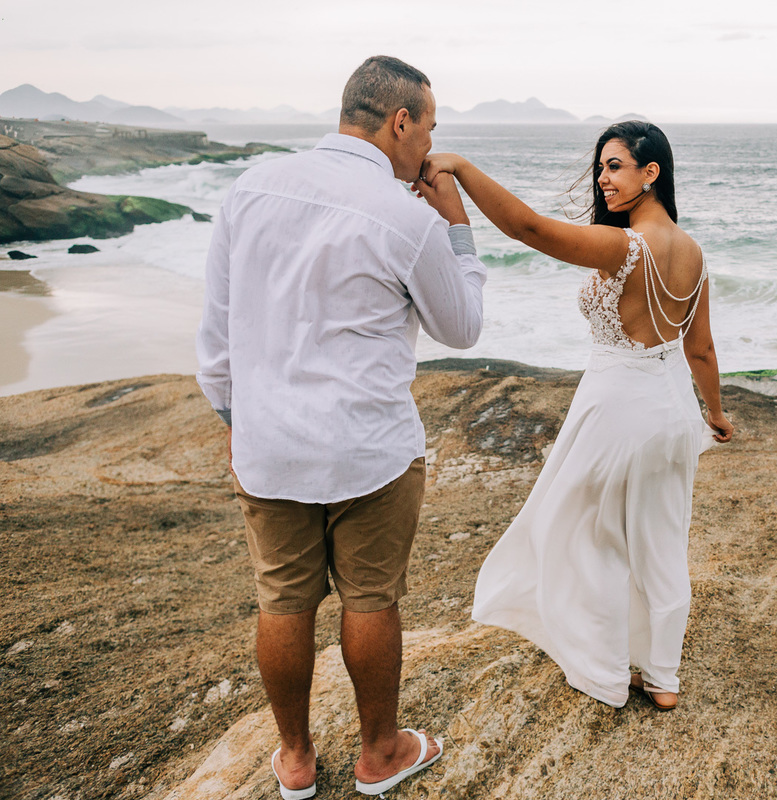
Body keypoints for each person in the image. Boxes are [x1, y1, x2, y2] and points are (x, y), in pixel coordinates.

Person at [195, 56, 484, 798]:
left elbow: (217, 340)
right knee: (371, 599)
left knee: (282, 598)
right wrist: (456, 226)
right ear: (400, 122)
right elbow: (462, 326)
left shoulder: (249, 188)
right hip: (368, 450)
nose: (428, 146)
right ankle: (380, 753)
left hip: (269, 445)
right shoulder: (407, 217)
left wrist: (239, 423)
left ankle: (294, 760)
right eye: (428, 128)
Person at [419, 121, 733, 711]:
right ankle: (662, 676)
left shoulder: (624, 247)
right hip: (671, 412)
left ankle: (608, 671)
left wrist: (460, 167)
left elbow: (529, 228)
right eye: (601, 166)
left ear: (651, 172)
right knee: (661, 540)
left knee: (587, 537)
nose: (602, 178)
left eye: (615, 166)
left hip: (616, 408)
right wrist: (713, 414)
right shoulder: (693, 253)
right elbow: (702, 349)